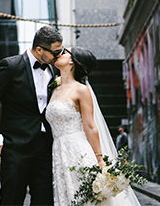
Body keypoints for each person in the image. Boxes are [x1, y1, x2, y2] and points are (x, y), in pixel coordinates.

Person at [46, 47, 141, 206]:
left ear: (72, 61)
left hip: (78, 151)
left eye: (64, 52)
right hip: (58, 151)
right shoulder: (54, 88)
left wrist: (100, 159)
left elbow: (90, 126)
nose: (58, 54)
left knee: (86, 199)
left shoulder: (81, 90)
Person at [0, 25, 63, 205]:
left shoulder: (54, 71)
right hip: (15, 147)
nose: (59, 56)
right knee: (12, 200)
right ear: (40, 49)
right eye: (55, 53)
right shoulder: (10, 66)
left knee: (44, 201)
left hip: (45, 147)